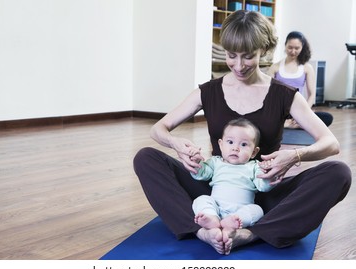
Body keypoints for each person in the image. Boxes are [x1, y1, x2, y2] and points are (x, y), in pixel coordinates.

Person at [133, 10, 351, 255]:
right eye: (231, 55)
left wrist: (295, 157)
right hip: (214, 190)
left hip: (264, 192)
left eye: (248, 56)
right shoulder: (208, 91)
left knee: (339, 173)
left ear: (264, 51)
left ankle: (251, 234)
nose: (238, 65)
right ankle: (203, 231)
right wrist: (175, 144)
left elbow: (330, 143)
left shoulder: (284, 95)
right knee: (146, 158)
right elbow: (158, 128)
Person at [191, 118, 275, 254]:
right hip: (216, 207)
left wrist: (268, 174)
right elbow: (201, 174)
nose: (235, 148)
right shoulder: (215, 162)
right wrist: (196, 163)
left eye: (243, 145)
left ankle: (232, 225)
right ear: (221, 145)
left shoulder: (254, 167)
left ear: (254, 152)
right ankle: (211, 219)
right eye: (230, 142)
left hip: (240, 212)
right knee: (201, 199)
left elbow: (263, 186)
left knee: (257, 210)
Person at [267, 31, 333, 128]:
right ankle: (294, 124)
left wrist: (304, 112)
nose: (293, 51)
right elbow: (268, 93)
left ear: (302, 48)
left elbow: (312, 95)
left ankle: (290, 124)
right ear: (285, 45)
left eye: (297, 48)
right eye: (290, 47)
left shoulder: (307, 68)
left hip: (298, 109)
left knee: (327, 117)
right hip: (279, 109)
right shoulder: (275, 67)